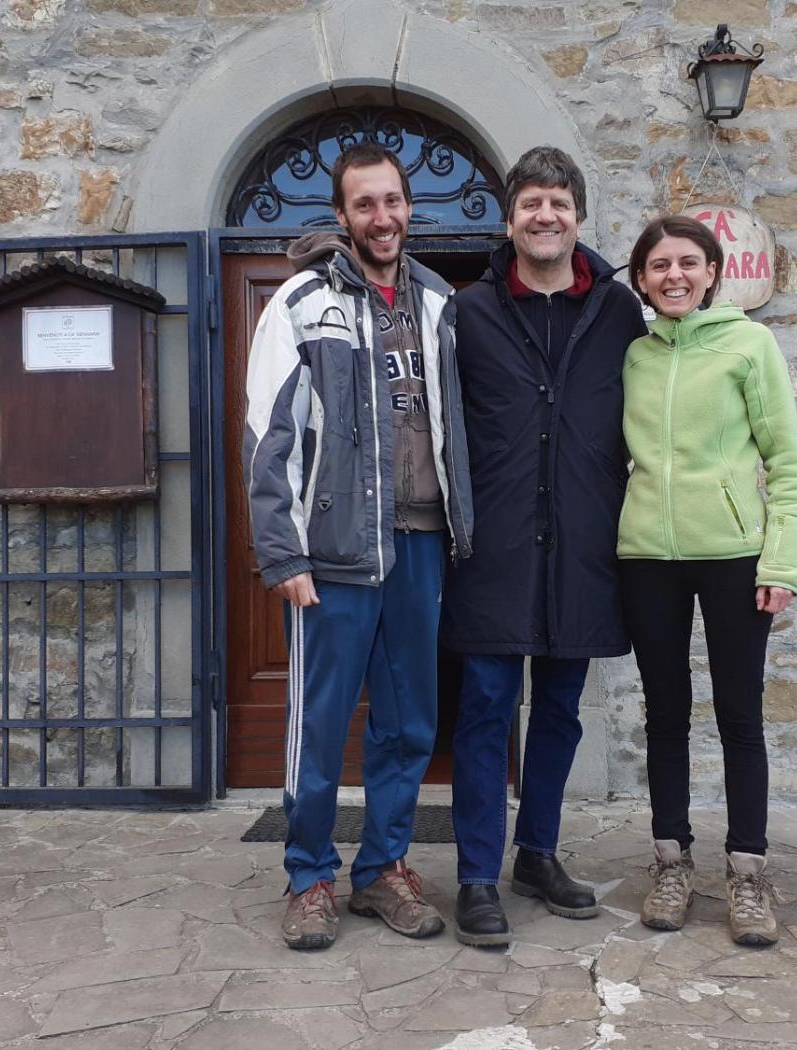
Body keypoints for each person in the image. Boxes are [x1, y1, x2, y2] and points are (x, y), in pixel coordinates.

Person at [242, 142, 474, 950]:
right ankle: (310, 875)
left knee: (409, 724)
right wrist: (282, 553)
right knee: (320, 723)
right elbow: (267, 432)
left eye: (392, 201)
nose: (382, 217)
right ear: (342, 215)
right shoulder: (302, 302)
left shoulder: (441, 302)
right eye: (365, 204)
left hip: (420, 542)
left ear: (411, 207)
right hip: (333, 550)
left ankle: (382, 868)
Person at [441, 146, 648, 946]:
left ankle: (537, 853)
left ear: (579, 216)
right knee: (485, 711)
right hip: (492, 546)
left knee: (560, 712)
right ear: (509, 220)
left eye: (559, 203)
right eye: (531, 202)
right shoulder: (469, 313)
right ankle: (475, 874)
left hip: (584, 540)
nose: (545, 215)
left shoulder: (620, 311)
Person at [617, 215, 797, 947]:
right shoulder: (634, 356)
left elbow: (786, 460)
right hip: (647, 556)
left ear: (711, 273)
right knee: (665, 715)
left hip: (734, 556)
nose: (674, 275)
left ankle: (747, 871)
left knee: (739, 716)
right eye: (659, 265)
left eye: (687, 263)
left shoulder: (749, 344)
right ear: (641, 280)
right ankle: (671, 862)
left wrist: (782, 562)